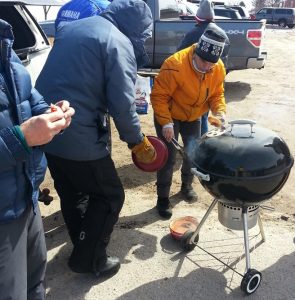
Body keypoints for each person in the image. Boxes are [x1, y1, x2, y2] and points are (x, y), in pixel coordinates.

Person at [36, 0, 156, 278]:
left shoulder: (72, 29)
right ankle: (89, 260)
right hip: (80, 132)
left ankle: (82, 240)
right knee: (110, 195)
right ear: (135, 27)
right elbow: (122, 104)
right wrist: (137, 141)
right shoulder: (118, 42)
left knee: (72, 190)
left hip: (48, 127)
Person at [0, 19, 75, 300]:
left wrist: (56, 113)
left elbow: (33, 101)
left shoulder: (7, 51)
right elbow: (24, 132)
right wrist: (23, 138)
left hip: (27, 198)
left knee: (35, 280)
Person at [151, 27, 227, 219]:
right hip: (169, 114)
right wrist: (166, 123)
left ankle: (186, 186)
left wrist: (220, 112)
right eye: (203, 61)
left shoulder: (217, 67)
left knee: (192, 153)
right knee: (168, 158)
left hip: (193, 116)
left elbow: (217, 93)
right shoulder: (175, 64)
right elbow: (159, 97)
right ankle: (162, 198)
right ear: (196, 52)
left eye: (211, 63)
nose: (207, 67)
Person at [178, 0, 230, 136]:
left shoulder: (192, 34)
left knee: (197, 115)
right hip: (213, 84)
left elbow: (179, 57)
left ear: (197, 18)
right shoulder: (223, 35)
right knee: (205, 113)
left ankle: (199, 144)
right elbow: (225, 63)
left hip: (194, 86)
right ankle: (203, 142)